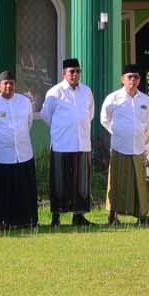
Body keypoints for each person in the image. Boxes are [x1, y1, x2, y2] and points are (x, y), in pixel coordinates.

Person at [0, 69, 38, 233]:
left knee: (24, 190)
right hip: (1, 155)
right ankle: (1, 221)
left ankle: (26, 221)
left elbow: (29, 123)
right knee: (2, 191)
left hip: (23, 153)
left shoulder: (25, 102)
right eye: (5, 83)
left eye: (11, 83)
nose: (9, 86)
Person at [42, 58, 96, 229]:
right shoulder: (55, 92)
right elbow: (45, 115)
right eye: (71, 72)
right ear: (64, 73)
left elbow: (90, 114)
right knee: (59, 181)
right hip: (62, 144)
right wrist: (62, 127)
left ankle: (79, 216)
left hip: (82, 143)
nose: (75, 75)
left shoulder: (86, 91)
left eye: (78, 71)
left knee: (81, 182)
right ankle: (56, 216)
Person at [101, 65, 149, 226]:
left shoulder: (145, 99)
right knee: (116, 181)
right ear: (122, 79)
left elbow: (146, 120)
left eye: (136, 77)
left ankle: (142, 216)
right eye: (130, 76)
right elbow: (104, 118)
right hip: (119, 146)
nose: (133, 80)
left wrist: (137, 132)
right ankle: (112, 216)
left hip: (138, 147)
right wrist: (117, 131)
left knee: (139, 182)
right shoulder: (113, 98)